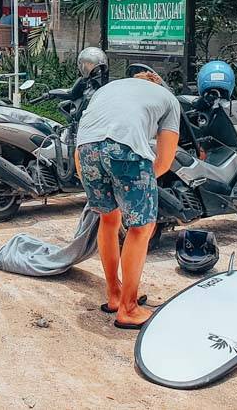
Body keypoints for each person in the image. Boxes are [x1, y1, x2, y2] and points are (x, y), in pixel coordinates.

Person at [73, 49, 180, 330]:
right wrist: (138, 184)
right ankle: (129, 309)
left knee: (109, 220)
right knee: (142, 228)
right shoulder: (168, 99)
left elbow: (84, 128)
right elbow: (165, 161)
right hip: (124, 149)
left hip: (84, 150)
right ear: (156, 83)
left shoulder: (109, 89)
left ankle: (114, 295)